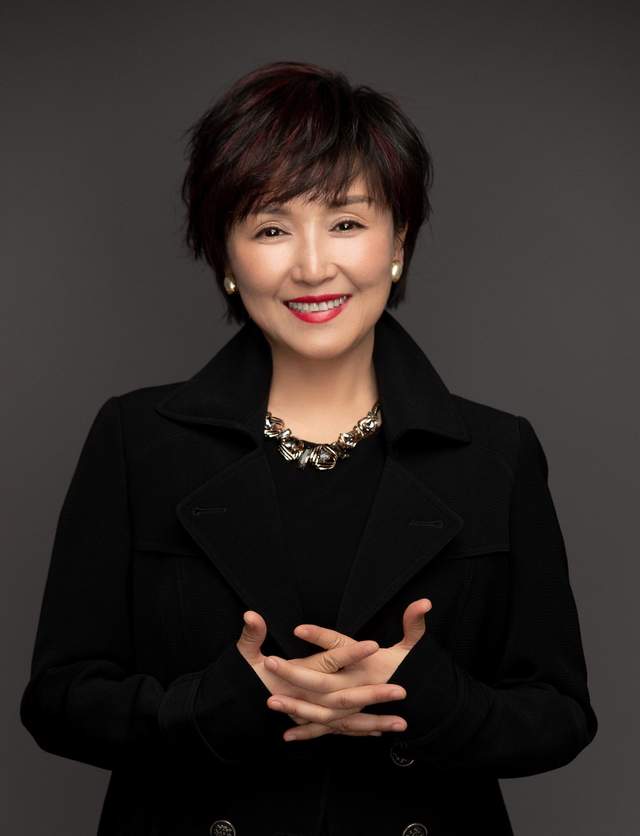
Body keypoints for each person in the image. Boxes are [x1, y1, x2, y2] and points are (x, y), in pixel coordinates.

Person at [20, 60, 598, 836]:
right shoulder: (137, 440)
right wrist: (216, 705)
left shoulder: (497, 452)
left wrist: (422, 698)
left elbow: (561, 715)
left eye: (347, 223)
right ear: (226, 259)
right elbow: (57, 701)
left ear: (399, 242)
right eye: (270, 228)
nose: (314, 266)